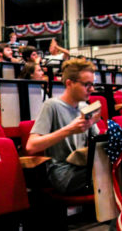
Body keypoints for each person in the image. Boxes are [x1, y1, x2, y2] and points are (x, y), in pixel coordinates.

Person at [26, 59, 101, 194]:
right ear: (69, 83)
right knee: (108, 176)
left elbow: (98, 142)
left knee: (117, 169)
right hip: (63, 173)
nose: (92, 89)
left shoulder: (85, 107)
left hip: (83, 168)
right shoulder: (52, 106)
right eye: (87, 85)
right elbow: (31, 146)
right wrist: (68, 130)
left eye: (92, 84)